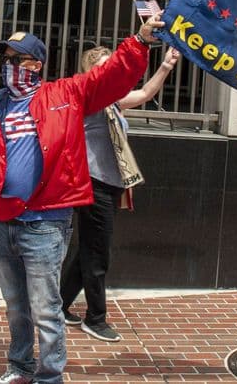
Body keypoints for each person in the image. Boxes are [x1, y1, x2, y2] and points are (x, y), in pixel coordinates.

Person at [0, 15, 163, 384]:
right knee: (16, 306)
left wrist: (141, 39)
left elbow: (111, 77)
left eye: (17, 59)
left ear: (36, 65)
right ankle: (20, 367)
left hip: (47, 222)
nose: (9, 67)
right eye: (5, 60)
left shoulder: (65, 94)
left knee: (46, 309)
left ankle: (50, 376)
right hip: (6, 222)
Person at [60, 44, 180, 343]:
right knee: (98, 253)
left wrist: (165, 66)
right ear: (90, 72)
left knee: (90, 249)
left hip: (111, 184)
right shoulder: (87, 97)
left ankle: (59, 305)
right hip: (94, 182)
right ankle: (95, 318)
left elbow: (143, 95)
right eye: (104, 65)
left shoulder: (111, 101)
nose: (111, 69)